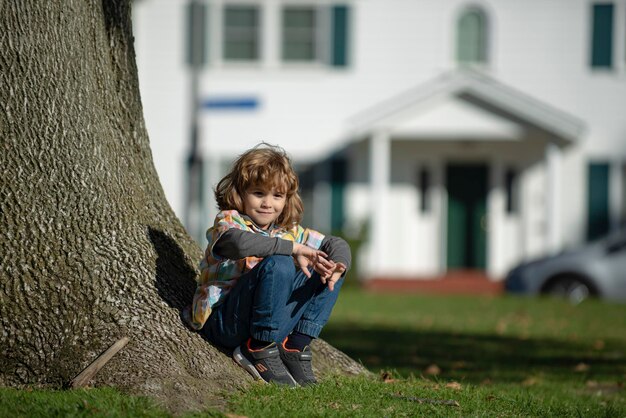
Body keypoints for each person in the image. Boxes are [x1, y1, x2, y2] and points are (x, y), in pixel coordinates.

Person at [183, 143, 351, 387]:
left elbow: (335, 243)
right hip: (224, 322)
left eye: (277, 196)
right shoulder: (230, 221)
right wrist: (292, 249)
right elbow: (238, 244)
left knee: (329, 264)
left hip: (266, 325)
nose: (267, 203)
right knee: (279, 262)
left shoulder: (288, 231)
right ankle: (256, 349)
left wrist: (339, 264)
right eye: (258, 193)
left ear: (286, 199)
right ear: (240, 193)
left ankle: (293, 347)